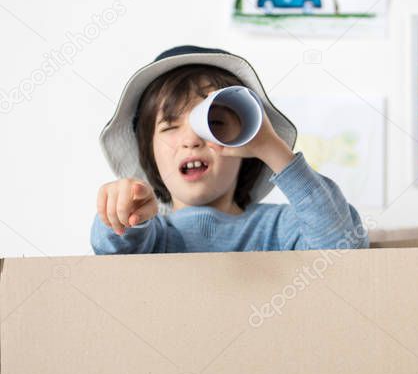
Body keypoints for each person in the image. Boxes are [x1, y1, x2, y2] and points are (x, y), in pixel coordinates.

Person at [92, 45, 367, 254]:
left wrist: (271, 148)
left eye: (214, 123)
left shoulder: (279, 229)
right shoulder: (152, 236)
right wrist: (122, 211)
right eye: (170, 127)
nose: (191, 140)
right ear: (148, 155)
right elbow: (113, 248)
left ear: (244, 141)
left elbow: (344, 247)